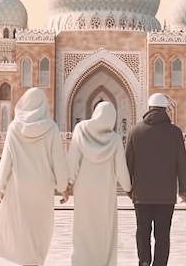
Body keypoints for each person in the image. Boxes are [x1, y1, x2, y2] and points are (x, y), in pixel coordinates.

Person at [0, 87, 69, 266]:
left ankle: (27, 261)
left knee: (24, 226)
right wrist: (63, 186)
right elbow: (57, 161)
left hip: (20, 186)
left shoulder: (14, 127)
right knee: (40, 227)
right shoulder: (51, 128)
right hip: (43, 187)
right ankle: (36, 260)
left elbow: (7, 159)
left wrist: (1, 186)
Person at [125, 93, 186, 266]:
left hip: (141, 195)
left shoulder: (135, 131)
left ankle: (144, 261)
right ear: (166, 108)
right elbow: (182, 162)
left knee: (143, 231)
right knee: (162, 234)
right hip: (166, 196)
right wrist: (184, 189)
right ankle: (160, 263)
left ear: (149, 108)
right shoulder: (174, 132)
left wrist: (128, 188)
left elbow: (128, 163)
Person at [66, 101, 132, 266]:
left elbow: (72, 159)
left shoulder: (80, 129)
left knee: (83, 227)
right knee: (104, 229)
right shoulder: (115, 139)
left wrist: (67, 183)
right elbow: (121, 170)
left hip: (84, 189)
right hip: (105, 191)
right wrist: (129, 188)